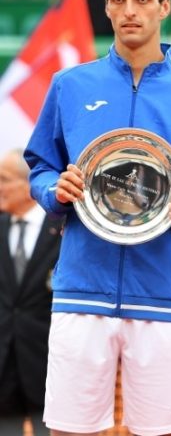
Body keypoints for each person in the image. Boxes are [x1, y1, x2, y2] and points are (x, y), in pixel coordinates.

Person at [24, 0, 171, 435]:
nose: (129, 10)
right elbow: (39, 167)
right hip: (80, 289)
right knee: (70, 430)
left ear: (165, 5)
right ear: (106, 4)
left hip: (161, 292)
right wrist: (57, 186)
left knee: (168, 432)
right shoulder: (70, 85)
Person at [0, 149, 62, 435]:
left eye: (4, 179)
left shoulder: (63, 229)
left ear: (29, 186)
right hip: (4, 375)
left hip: (48, 368)